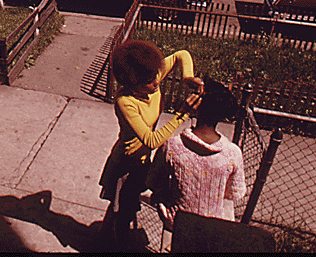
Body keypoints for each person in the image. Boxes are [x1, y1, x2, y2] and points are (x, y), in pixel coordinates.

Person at [97, 40, 204, 247]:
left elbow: (182, 53)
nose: (157, 82)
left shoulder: (151, 74)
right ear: (131, 83)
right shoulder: (125, 101)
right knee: (125, 214)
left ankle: (101, 237)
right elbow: (151, 139)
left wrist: (188, 77)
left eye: (157, 75)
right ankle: (118, 247)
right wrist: (182, 114)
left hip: (143, 161)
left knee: (119, 206)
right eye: (149, 81)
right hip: (126, 165)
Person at [146, 78, 246, 231]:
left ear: (196, 106)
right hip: (212, 226)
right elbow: (233, 193)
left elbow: (153, 182)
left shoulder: (172, 146)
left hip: (177, 224)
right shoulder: (232, 153)